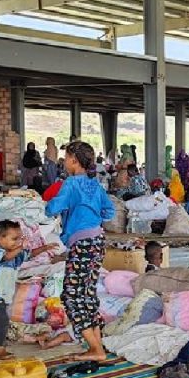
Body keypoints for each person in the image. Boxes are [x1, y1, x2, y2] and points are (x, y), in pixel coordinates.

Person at [45, 141, 115, 362]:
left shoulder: (70, 184)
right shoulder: (96, 185)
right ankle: (95, 344)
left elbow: (53, 209)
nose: (64, 162)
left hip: (81, 243)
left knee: (72, 295)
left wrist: (50, 205)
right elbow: (109, 211)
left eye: (66, 158)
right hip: (97, 240)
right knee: (87, 293)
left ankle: (96, 349)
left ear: (74, 160)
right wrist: (91, 217)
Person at [0, 220, 57, 360]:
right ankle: (0, 350)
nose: (18, 242)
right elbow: (6, 257)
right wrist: (20, 247)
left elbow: (30, 254)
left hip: (2, 296)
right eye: (14, 239)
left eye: (20, 238)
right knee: (2, 321)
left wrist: (45, 247)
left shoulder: (16, 256)